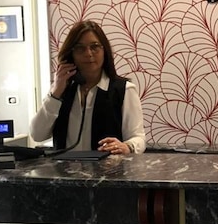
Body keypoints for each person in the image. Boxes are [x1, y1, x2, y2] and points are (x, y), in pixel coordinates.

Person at [29, 20, 145, 154]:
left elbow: (138, 138)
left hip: (108, 167)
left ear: (104, 50)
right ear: (71, 54)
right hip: (65, 167)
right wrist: (56, 93)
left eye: (95, 47)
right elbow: (37, 135)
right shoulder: (61, 90)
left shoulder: (124, 90)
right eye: (80, 48)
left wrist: (127, 146)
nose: (88, 53)